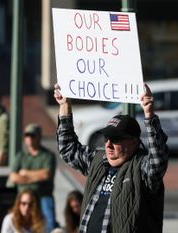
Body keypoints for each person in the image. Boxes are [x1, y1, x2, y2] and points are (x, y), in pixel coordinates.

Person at [54, 83, 168, 233]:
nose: (108, 145)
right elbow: (68, 150)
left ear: (134, 142)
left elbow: (158, 158)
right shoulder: (99, 160)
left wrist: (149, 114)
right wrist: (65, 106)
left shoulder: (141, 169)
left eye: (116, 140)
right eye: (107, 138)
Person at [9, 123, 57, 233]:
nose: (29, 138)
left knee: (49, 225)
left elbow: (46, 175)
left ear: (39, 137)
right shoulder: (21, 155)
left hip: (42, 196)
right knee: (12, 221)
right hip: (24, 198)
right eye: (27, 135)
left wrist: (25, 173)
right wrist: (36, 176)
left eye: (32, 135)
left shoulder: (48, 155)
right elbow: (13, 177)